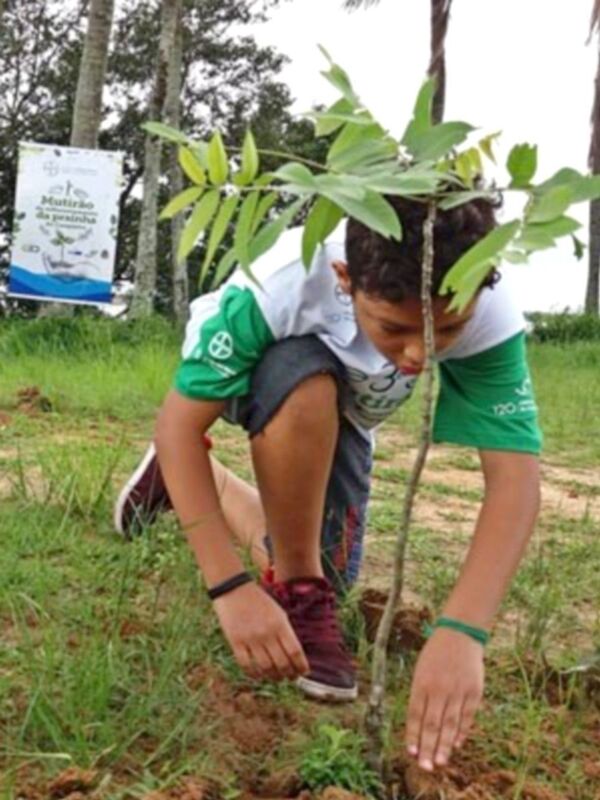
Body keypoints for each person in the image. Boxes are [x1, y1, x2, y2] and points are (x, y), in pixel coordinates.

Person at [113, 196, 541, 773]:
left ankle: (195, 483)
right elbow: (178, 427)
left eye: (448, 329)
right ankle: (298, 584)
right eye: (395, 328)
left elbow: (514, 481)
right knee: (304, 389)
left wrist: (463, 630)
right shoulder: (283, 285)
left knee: (329, 569)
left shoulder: (483, 299)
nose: (421, 353)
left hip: (351, 418)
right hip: (273, 380)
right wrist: (231, 589)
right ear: (345, 279)